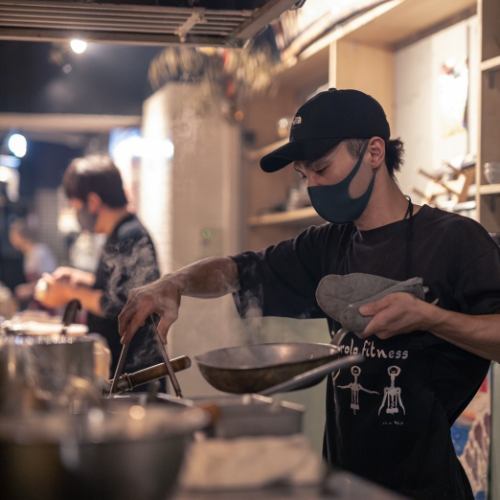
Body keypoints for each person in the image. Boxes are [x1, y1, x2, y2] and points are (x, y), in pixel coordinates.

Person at [117, 88, 500, 499]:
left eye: (321, 168)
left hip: (426, 487)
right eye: (304, 176)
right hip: (340, 482)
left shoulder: (456, 240)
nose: (313, 186)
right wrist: (174, 283)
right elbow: (237, 270)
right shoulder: (325, 246)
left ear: (374, 153)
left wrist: (429, 317)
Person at [37, 154, 162, 374]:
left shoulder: (129, 236)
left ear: (93, 202)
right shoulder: (120, 233)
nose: (77, 215)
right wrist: (80, 279)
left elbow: (119, 305)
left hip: (134, 372)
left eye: (76, 207)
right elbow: (115, 287)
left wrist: (69, 292)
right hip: (121, 367)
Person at [9, 218, 57, 305]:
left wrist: (28, 289)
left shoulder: (41, 252)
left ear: (21, 236)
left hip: (47, 301)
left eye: (13, 236)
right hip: (37, 300)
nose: (11, 240)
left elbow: (50, 280)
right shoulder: (28, 254)